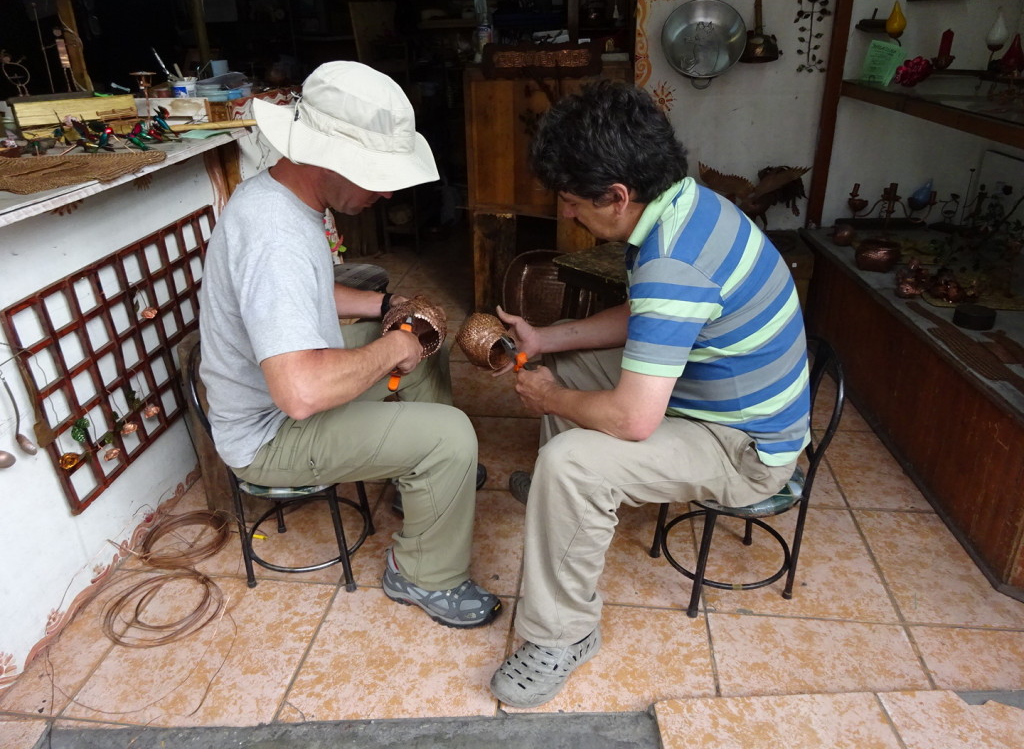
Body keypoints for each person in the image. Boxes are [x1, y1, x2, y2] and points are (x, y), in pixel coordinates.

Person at [489, 81, 811, 707]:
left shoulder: (674, 260)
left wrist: (549, 396)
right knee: (578, 368)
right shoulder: (686, 205)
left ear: (617, 196)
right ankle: (566, 513)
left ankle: (563, 636)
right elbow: (648, 315)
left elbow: (634, 420)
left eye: (572, 203)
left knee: (570, 461)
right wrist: (546, 340)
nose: (567, 216)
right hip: (717, 397)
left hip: (745, 449)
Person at [198, 61, 500, 629]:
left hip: (279, 398)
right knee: (451, 433)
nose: (387, 190)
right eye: (374, 172)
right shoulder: (274, 237)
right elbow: (301, 393)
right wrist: (395, 345)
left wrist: (385, 311)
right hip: (270, 434)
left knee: (420, 360)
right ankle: (421, 573)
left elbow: (302, 295)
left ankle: (427, 485)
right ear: (321, 154)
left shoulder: (281, 199)